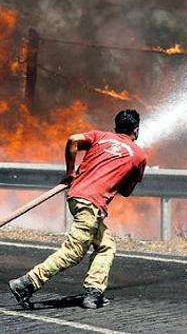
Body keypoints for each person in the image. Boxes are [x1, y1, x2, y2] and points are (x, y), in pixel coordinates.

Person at [8, 109, 147, 309]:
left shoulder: (100, 136)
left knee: (106, 246)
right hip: (91, 204)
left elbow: (73, 140)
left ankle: (94, 292)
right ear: (136, 130)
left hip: (77, 198)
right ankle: (26, 283)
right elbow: (126, 191)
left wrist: (70, 173)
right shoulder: (139, 155)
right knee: (73, 252)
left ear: (115, 127)